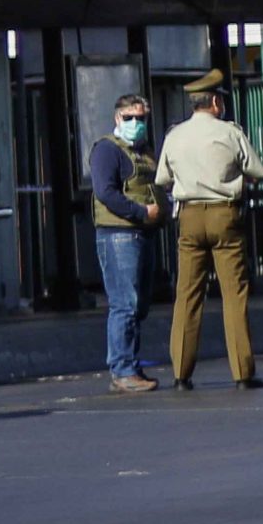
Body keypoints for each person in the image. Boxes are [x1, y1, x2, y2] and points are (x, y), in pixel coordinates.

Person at [153, 70, 263, 391]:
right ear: (216, 102)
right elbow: (258, 170)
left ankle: (181, 373)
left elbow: (162, 178)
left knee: (187, 294)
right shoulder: (230, 133)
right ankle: (242, 373)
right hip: (224, 216)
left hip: (189, 217)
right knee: (234, 294)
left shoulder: (174, 136)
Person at [89, 92, 166, 393]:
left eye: (142, 118)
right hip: (119, 234)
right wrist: (140, 212)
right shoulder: (107, 150)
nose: (136, 123)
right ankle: (122, 369)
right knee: (124, 303)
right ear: (117, 118)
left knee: (139, 304)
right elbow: (106, 192)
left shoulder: (145, 150)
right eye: (130, 118)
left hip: (143, 233)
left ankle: (130, 366)